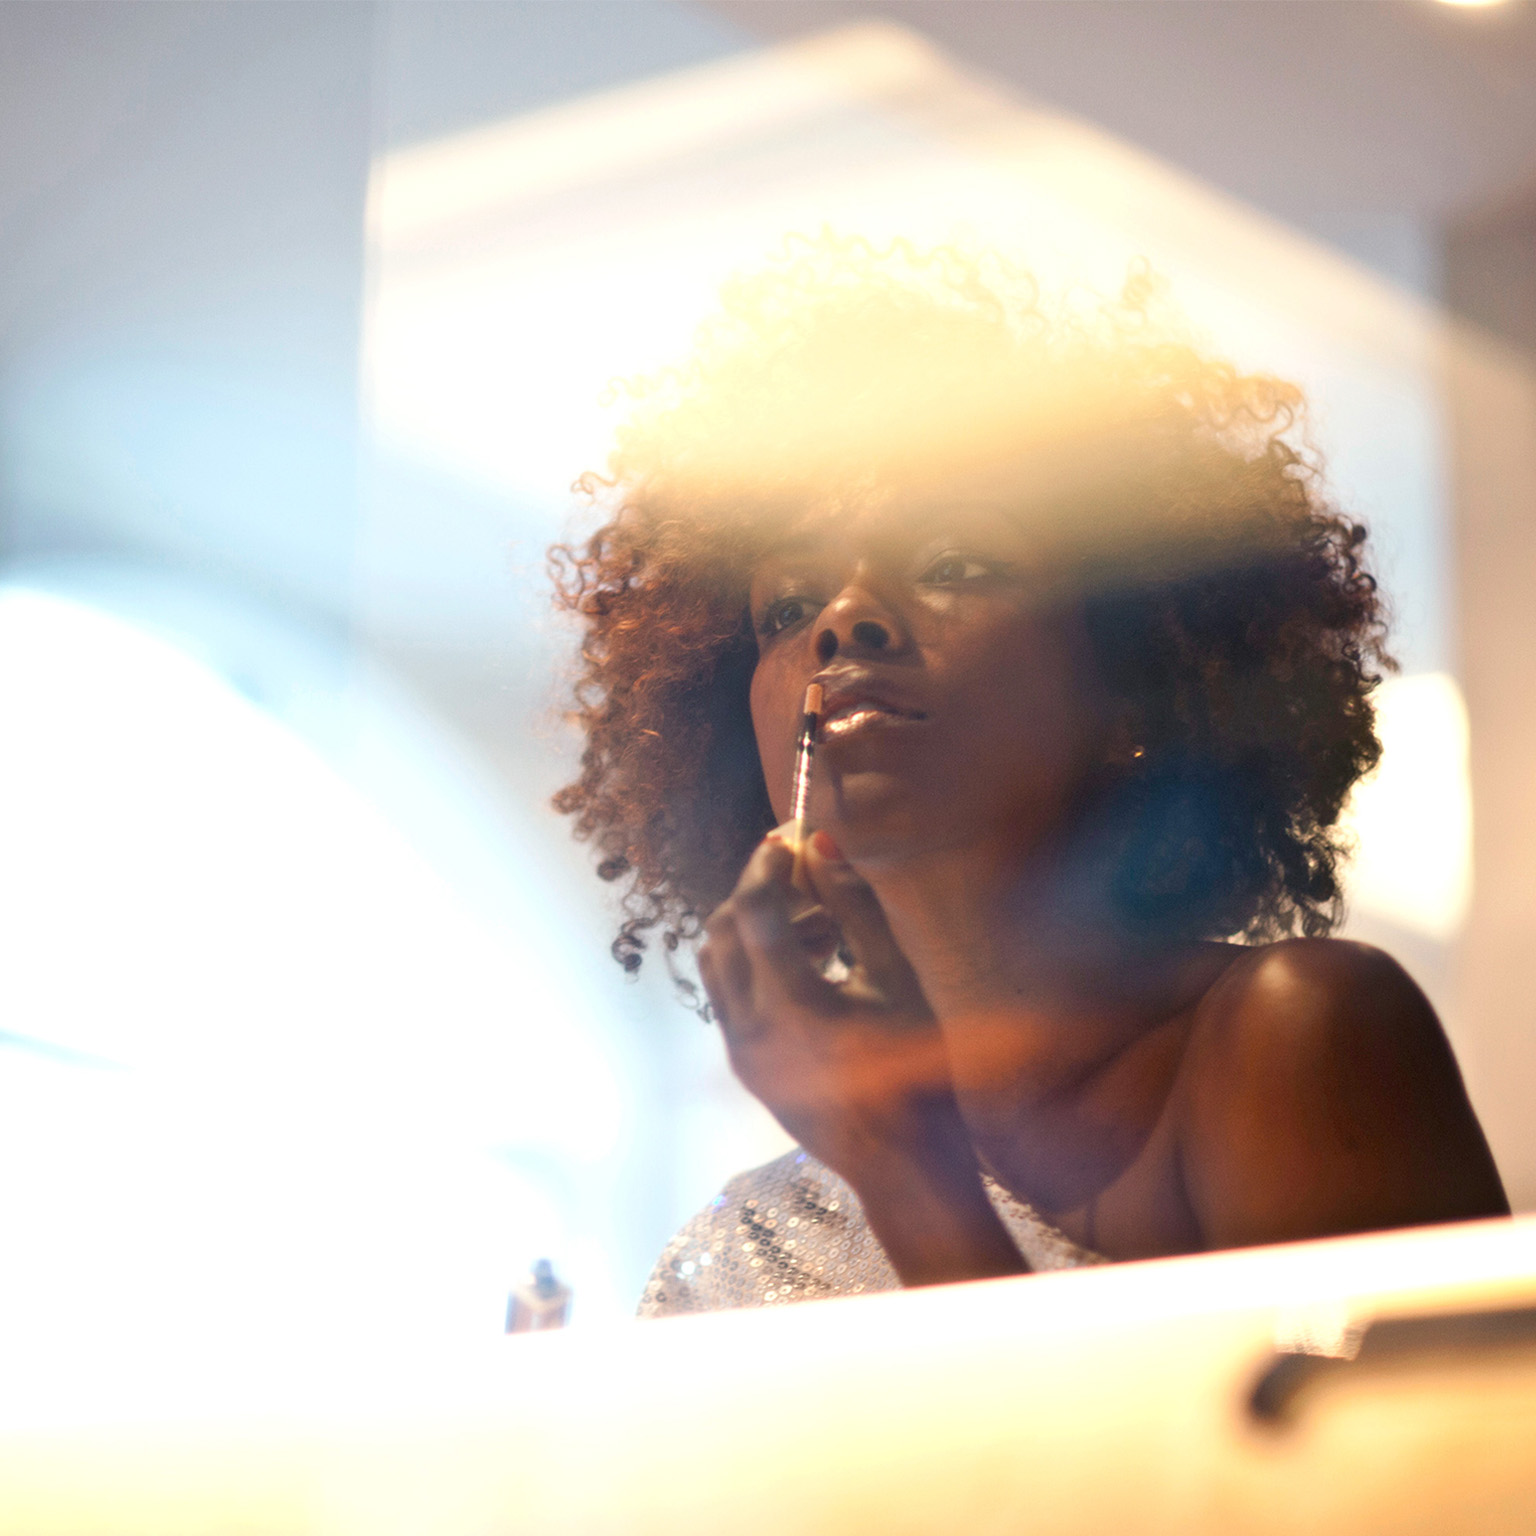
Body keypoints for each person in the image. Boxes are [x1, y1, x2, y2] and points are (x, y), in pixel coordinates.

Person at [549, 238, 1508, 1317]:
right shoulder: (745, 1242)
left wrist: (905, 1166)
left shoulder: (1296, 1033)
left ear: (1136, 690)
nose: (842, 619)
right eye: (787, 605)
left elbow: (1409, 1487)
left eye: (957, 564)